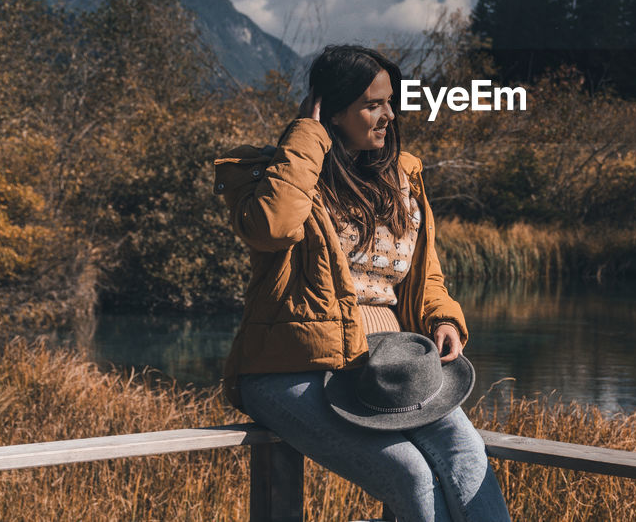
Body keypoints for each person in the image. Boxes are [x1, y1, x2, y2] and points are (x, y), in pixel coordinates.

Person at [214, 44, 511, 522]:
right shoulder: (275, 175)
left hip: (388, 364)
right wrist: (308, 136)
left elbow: (424, 271)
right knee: (409, 475)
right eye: (372, 104)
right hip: (292, 368)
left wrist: (442, 316)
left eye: (390, 101)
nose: (389, 115)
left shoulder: (402, 177)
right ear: (331, 110)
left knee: (467, 456)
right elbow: (271, 228)